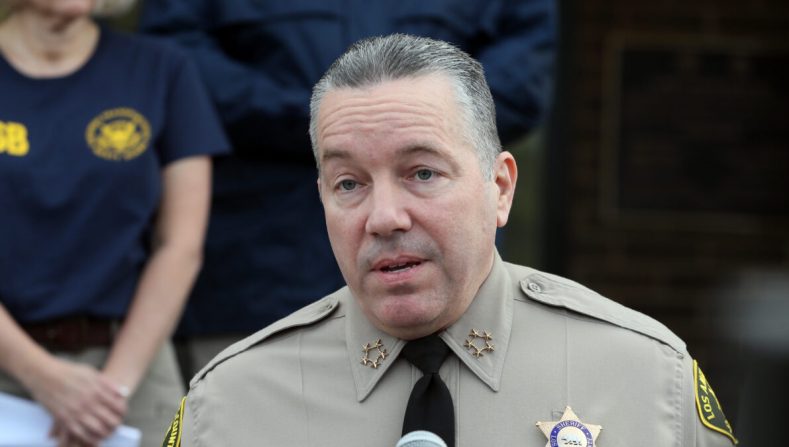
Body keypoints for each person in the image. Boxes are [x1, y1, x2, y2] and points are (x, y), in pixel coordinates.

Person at [161, 34, 736, 446]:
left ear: (501, 187)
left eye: (423, 173)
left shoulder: (642, 376)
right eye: (349, 184)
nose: (384, 217)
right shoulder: (231, 404)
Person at [137, 0, 557, 382]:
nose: (385, 215)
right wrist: (329, 120)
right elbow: (180, 66)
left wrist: (404, 123)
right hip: (256, 278)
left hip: (445, 294)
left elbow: (523, 74)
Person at [0, 1, 228, 446]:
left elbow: (179, 245)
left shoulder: (162, 69)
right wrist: (40, 374)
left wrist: (113, 391)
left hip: (132, 369)